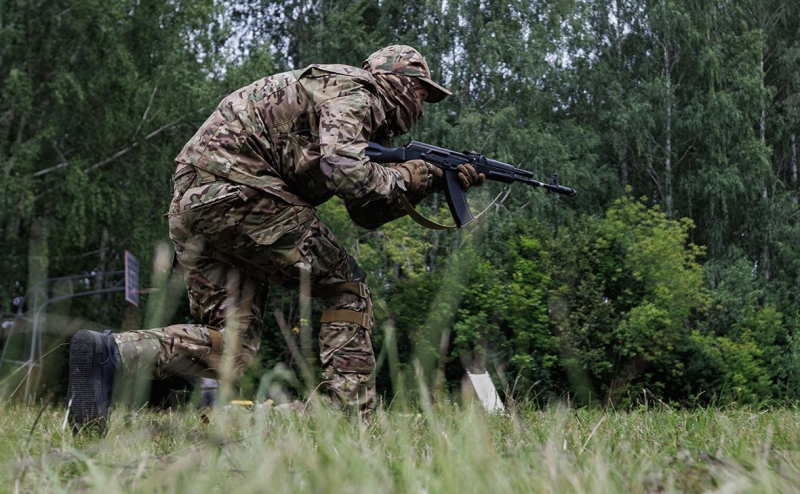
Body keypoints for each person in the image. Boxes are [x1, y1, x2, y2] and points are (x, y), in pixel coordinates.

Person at [66, 45, 485, 431]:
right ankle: (350, 413)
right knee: (348, 289)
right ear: (395, 80)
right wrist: (406, 175)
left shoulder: (345, 102)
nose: (421, 108)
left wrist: (422, 184)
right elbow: (345, 170)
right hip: (239, 191)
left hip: (197, 200)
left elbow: (365, 211)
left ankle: (110, 354)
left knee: (232, 346)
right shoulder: (358, 92)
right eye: (419, 93)